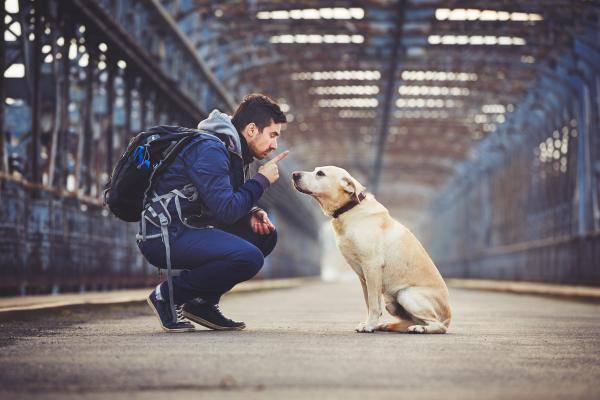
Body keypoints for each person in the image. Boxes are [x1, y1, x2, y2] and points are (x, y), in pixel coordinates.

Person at [139, 93, 288, 332]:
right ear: (251, 130)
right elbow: (226, 211)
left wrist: (252, 211)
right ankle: (166, 296)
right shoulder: (210, 149)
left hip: (190, 226)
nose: (274, 145)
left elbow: (221, 201)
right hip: (167, 234)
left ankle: (201, 303)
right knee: (249, 257)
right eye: (272, 135)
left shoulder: (233, 151)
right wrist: (261, 181)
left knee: (264, 235)